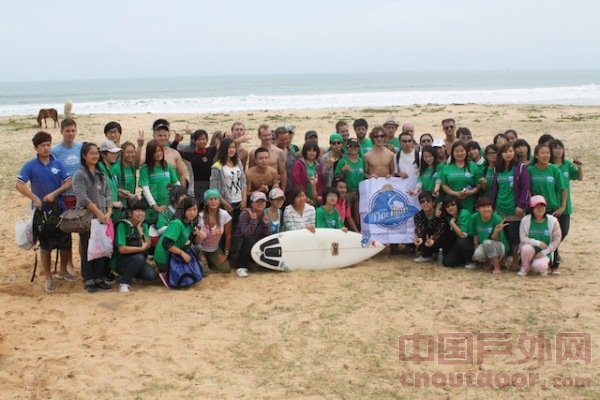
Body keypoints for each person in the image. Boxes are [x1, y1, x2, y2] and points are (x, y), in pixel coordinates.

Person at [16, 131, 74, 292]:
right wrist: (34, 198)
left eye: (48, 144)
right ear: (36, 148)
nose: (47, 148)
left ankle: (62, 271)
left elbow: (69, 182)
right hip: (42, 212)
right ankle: (48, 277)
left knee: (65, 241)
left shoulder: (58, 164)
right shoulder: (30, 166)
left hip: (60, 208)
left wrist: (55, 193)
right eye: (43, 145)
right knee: (45, 245)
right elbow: (19, 185)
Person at [72, 142, 113, 292]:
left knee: (102, 246)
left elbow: (108, 194)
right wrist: (98, 212)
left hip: (103, 216)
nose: (95, 156)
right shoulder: (80, 174)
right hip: (88, 218)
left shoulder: (100, 173)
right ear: (84, 155)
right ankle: (88, 278)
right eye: (92, 153)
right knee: (88, 247)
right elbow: (82, 198)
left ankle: (99, 277)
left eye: (97, 153)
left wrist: (108, 212)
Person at [528, 144, 567, 274]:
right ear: (536, 155)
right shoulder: (530, 170)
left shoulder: (555, 170)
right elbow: (527, 189)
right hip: (535, 208)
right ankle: (531, 261)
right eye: (542, 153)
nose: (546, 156)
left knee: (553, 238)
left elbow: (563, 189)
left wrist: (562, 207)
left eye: (548, 153)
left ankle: (554, 265)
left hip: (551, 209)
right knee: (536, 235)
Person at [491, 143, 531, 270]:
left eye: (510, 151)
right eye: (505, 152)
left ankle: (515, 261)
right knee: (503, 235)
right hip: (500, 207)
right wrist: (492, 205)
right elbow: (495, 188)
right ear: (500, 154)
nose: (508, 154)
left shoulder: (520, 167)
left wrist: (521, 205)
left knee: (514, 236)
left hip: (514, 208)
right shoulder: (498, 169)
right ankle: (502, 261)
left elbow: (526, 186)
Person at [51, 118, 81, 274]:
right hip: (64, 197)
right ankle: (68, 264)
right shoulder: (55, 151)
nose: (70, 133)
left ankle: (83, 262)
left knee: (83, 232)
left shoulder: (81, 148)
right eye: (67, 131)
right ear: (61, 131)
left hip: (80, 196)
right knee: (66, 233)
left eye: (73, 130)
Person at [550, 139, 583, 272]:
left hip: (565, 205)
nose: (558, 150)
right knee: (552, 232)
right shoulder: (549, 165)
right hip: (552, 204)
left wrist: (580, 168)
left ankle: (553, 251)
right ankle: (554, 257)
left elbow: (579, 178)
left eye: (561, 148)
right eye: (556, 148)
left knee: (564, 231)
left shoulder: (567, 165)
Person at [154, 197, 203, 284]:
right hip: (164, 257)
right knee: (190, 274)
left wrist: (198, 235)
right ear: (183, 210)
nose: (192, 213)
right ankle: (165, 272)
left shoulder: (190, 222)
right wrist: (182, 254)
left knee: (198, 264)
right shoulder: (177, 223)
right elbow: (166, 244)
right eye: (189, 210)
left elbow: (194, 242)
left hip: (174, 253)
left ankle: (169, 271)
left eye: (194, 209)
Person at [113, 198, 157, 293]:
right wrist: (140, 248)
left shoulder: (143, 226)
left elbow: (147, 245)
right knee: (139, 258)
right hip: (120, 261)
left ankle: (130, 274)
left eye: (143, 211)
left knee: (151, 275)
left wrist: (139, 229)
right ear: (130, 213)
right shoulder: (123, 225)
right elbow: (122, 249)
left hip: (137, 259)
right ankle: (124, 283)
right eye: (137, 211)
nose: (140, 213)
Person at [517, 195, 562, 277]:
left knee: (540, 266)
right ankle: (525, 268)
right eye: (537, 206)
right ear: (532, 208)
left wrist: (543, 252)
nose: (540, 209)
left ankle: (542, 266)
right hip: (529, 249)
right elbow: (523, 238)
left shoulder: (553, 221)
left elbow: (556, 240)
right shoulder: (525, 220)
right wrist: (538, 243)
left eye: (542, 206)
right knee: (526, 248)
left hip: (545, 252)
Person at [230, 191, 272, 277]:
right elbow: (246, 234)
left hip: (253, 243)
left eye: (262, 201)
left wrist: (265, 224)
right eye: (257, 201)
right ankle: (240, 266)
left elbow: (267, 236)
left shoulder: (265, 214)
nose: (260, 204)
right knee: (249, 241)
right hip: (240, 245)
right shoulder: (245, 214)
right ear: (252, 204)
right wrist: (253, 221)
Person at [136, 119, 188, 187]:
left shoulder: (174, 153)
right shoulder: (146, 152)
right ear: (154, 135)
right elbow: (136, 165)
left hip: (172, 193)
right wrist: (139, 146)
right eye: (160, 136)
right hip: (152, 194)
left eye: (165, 135)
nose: (163, 138)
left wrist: (181, 192)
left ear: (168, 136)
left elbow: (182, 175)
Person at [139, 139, 181, 224]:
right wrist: (155, 206)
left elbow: (177, 185)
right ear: (150, 154)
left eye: (160, 151)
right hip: (152, 209)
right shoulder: (145, 168)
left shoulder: (168, 167)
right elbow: (146, 189)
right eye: (155, 152)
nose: (158, 154)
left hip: (167, 207)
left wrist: (179, 200)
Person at [172, 129, 217, 207]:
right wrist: (176, 141)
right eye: (198, 139)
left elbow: (224, 145)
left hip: (209, 187)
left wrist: (225, 134)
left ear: (207, 140)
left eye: (203, 139)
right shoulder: (190, 156)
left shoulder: (211, 151)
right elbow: (173, 150)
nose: (201, 141)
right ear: (195, 141)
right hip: (195, 189)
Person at [210, 137, 247, 228]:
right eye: (229, 147)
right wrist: (225, 203)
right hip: (227, 202)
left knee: (239, 228)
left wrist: (244, 198)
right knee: (227, 229)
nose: (231, 150)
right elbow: (214, 189)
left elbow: (243, 180)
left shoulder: (238, 162)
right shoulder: (217, 166)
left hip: (239, 200)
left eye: (233, 147)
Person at [195, 189, 233, 275]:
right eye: (210, 199)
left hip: (214, 249)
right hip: (201, 249)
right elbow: (195, 240)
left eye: (216, 199)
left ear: (219, 201)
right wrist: (200, 255)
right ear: (206, 202)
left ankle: (209, 265)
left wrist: (226, 254)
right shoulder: (199, 216)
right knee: (205, 272)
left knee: (226, 268)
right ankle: (205, 265)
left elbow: (228, 235)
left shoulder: (224, 215)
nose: (213, 201)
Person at [467, 197, 508, 274]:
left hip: (499, 246)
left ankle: (497, 267)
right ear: (478, 209)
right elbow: (474, 234)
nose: (486, 209)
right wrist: (476, 248)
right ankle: (488, 263)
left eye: (488, 207)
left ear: (492, 208)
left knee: (487, 243)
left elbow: (497, 239)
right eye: (483, 207)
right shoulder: (474, 217)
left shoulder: (497, 218)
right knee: (477, 255)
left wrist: (496, 231)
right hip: (484, 245)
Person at [439, 141, 480, 212]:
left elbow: (478, 185)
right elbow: (444, 185)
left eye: (462, 151)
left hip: (469, 204)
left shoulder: (473, 167)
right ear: (452, 153)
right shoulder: (446, 168)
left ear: (466, 152)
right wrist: (455, 193)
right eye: (456, 151)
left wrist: (470, 192)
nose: (459, 153)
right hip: (451, 205)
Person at [333, 138, 364, 227]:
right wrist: (343, 171)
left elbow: (365, 175)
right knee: (347, 218)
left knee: (358, 217)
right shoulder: (343, 161)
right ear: (347, 148)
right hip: (347, 193)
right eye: (351, 146)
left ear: (358, 148)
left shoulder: (362, 161)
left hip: (359, 194)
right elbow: (336, 178)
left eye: (355, 146)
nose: (353, 148)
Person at [248, 124, 287, 191]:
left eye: (269, 135)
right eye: (265, 135)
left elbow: (283, 173)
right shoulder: (253, 153)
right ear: (259, 136)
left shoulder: (279, 152)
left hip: (273, 186)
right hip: (258, 188)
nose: (268, 137)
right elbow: (250, 172)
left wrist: (282, 191)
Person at [412, 192, 448, 262]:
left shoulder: (440, 214)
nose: (425, 203)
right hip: (428, 239)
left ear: (433, 203)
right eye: (422, 201)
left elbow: (441, 229)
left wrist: (433, 239)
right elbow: (419, 228)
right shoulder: (418, 215)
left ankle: (439, 253)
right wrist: (419, 238)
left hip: (442, 239)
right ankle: (427, 254)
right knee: (424, 233)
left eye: (428, 201)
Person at [440, 195, 474, 267]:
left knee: (461, 241)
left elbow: (462, 235)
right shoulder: (448, 217)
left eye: (453, 205)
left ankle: (471, 261)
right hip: (458, 243)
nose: (450, 207)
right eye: (447, 206)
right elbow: (437, 214)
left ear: (457, 204)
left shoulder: (464, 213)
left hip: (470, 241)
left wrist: (452, 224)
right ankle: (462, 260)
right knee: (447, 262)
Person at [98, 140, 124, 221]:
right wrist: (113, 203)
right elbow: (96, 194)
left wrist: (121, 191)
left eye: (116, 153)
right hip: (103, 214)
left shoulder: (111, 168)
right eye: (112, 153)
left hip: (114, 213)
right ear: (103, 154)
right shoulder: (98, 169)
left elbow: (110, 189)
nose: (115, 155)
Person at [111, 141, 138, 207]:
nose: (131, 155)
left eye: (132, 152)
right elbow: (110, 188)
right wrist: (122, 192)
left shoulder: (133, 168)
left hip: (130, 205)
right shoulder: (115, 168)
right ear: (122, 153)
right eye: (128, 152)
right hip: (117, 205)